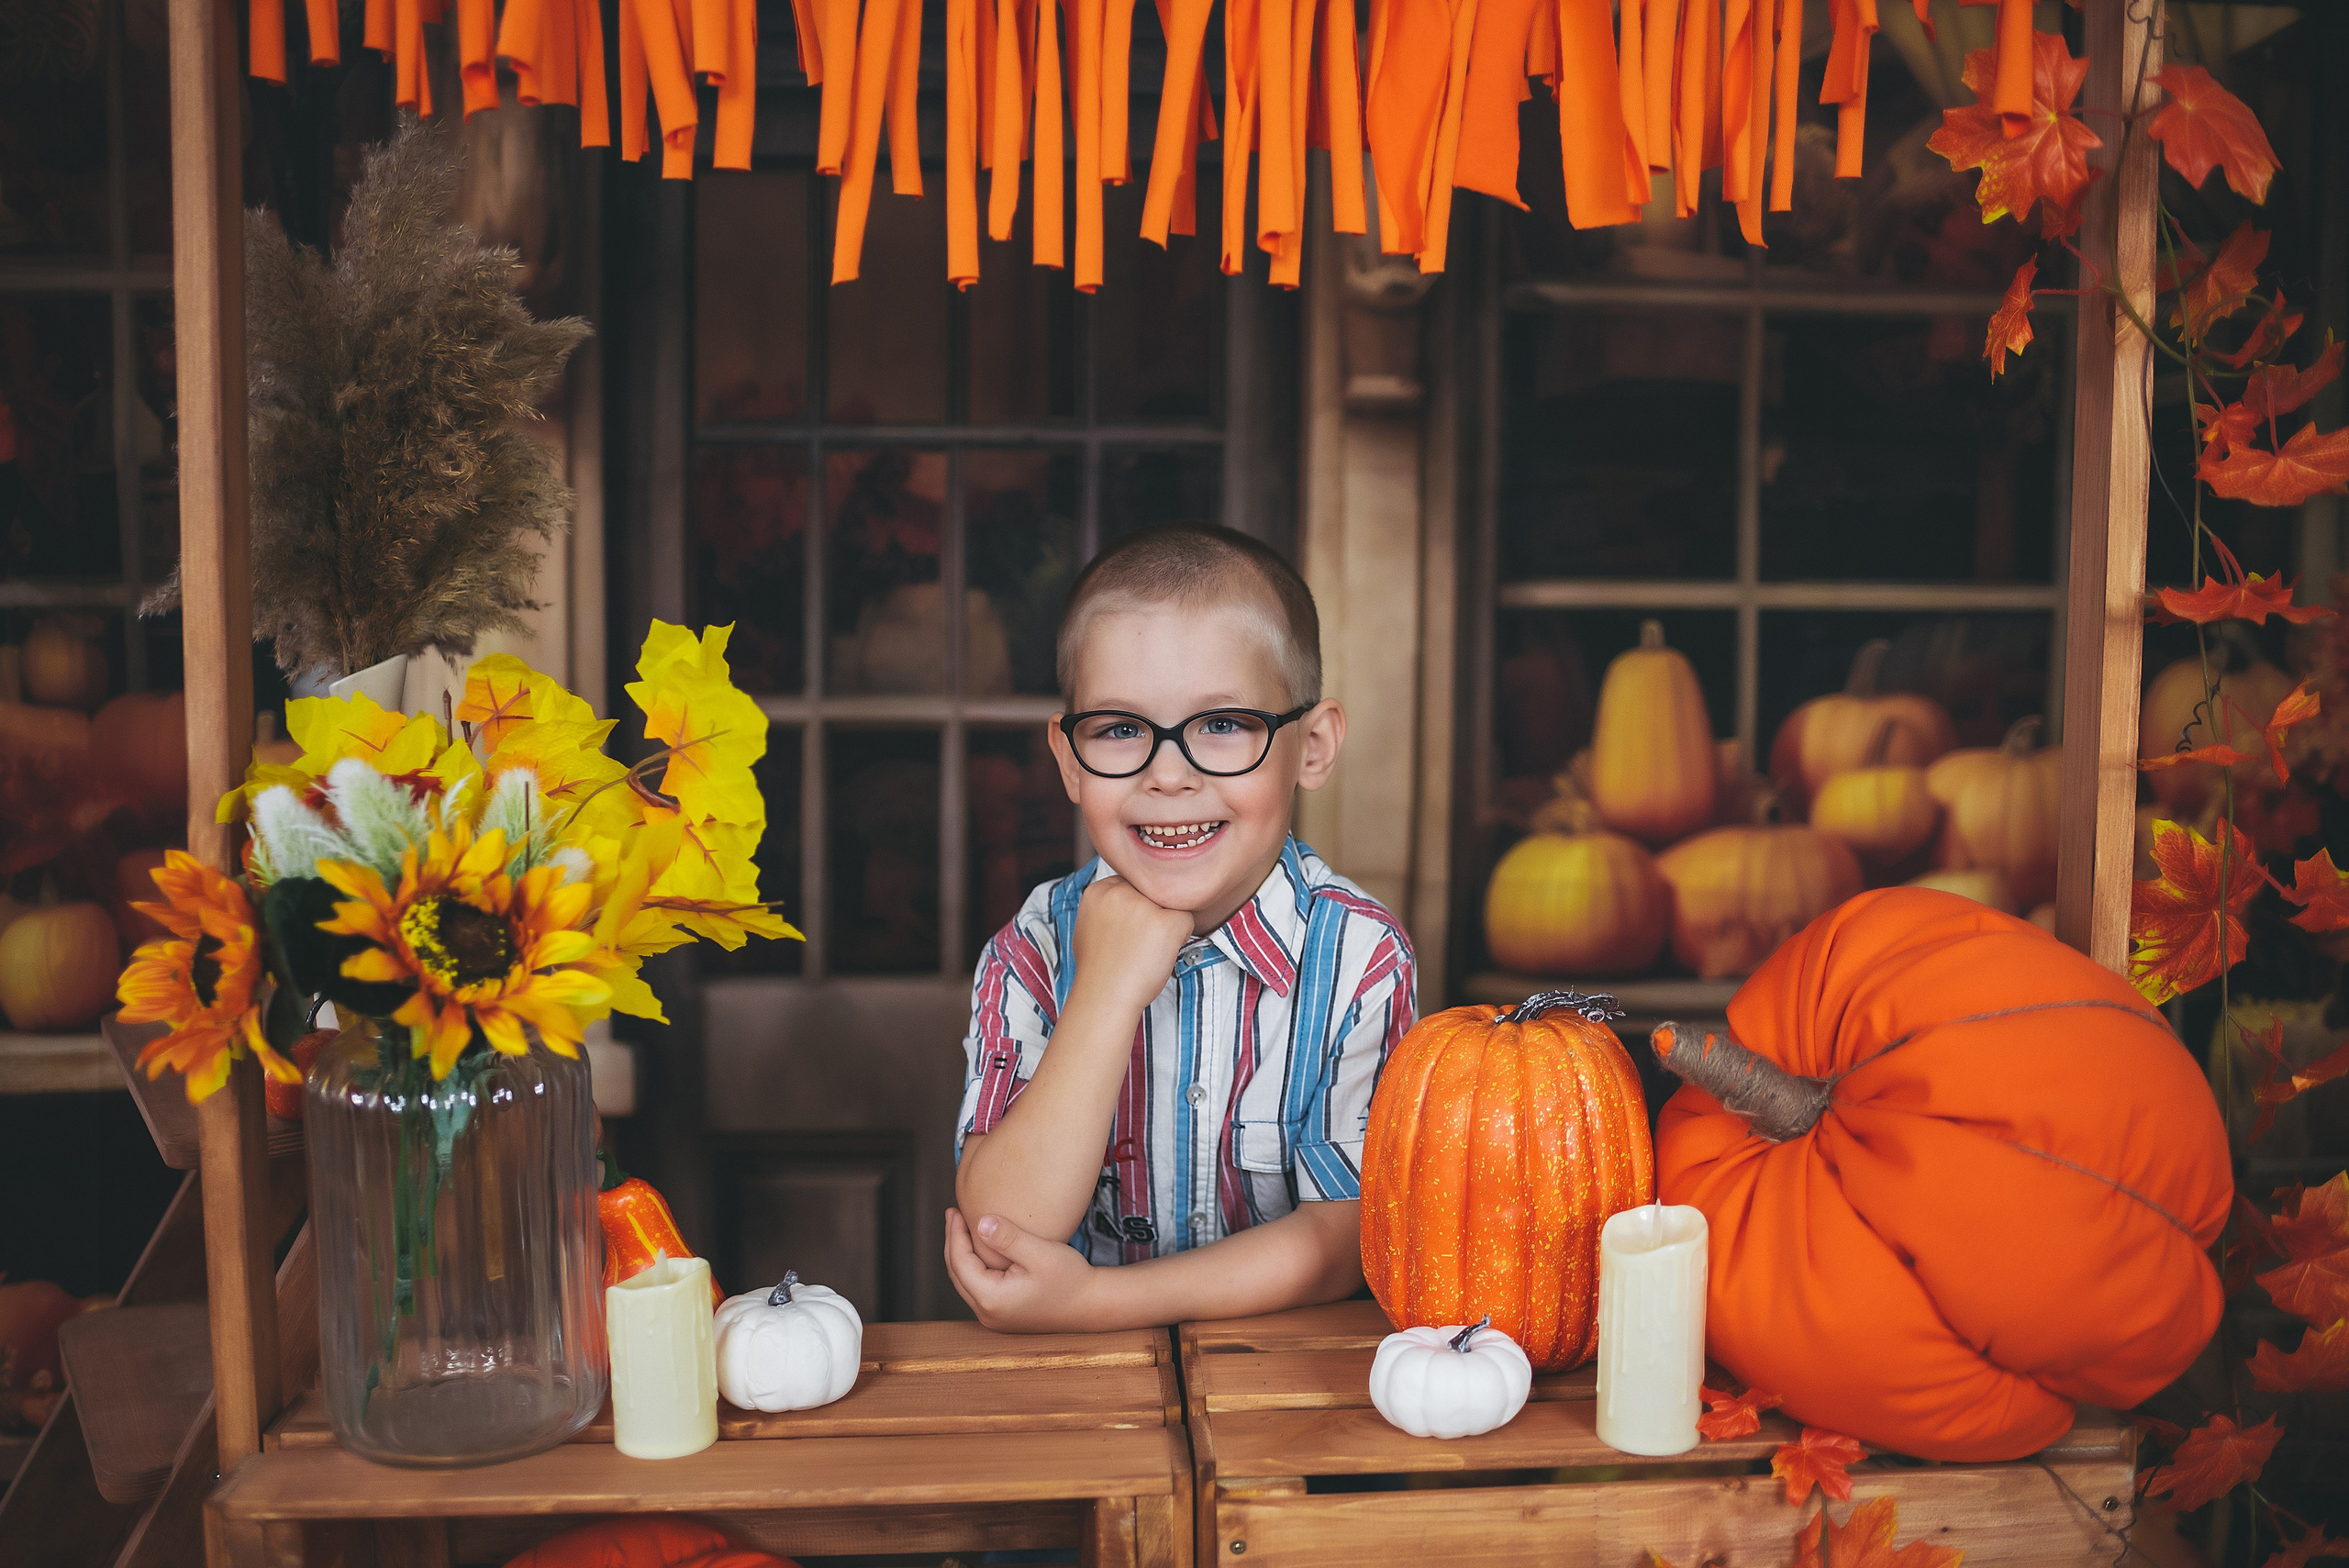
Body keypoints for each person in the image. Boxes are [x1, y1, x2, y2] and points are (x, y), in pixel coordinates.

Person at [945, 525, 1415, 1331]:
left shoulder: (1359, 960)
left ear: (1313, 744)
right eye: (1121, 729)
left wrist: (1097, 1301)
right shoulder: (1031, 950)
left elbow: (1346, 1237)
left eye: (1224, 724)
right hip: (1078, 1408)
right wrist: (1105, 990)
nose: (1170, 773)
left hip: (1284, 1405)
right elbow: (1004, 1229)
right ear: (1067, 759)